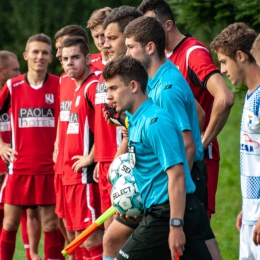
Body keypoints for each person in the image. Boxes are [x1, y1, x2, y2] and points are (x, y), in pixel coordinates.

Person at [104, 54, 212, 260]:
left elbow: (177, 175)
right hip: (164, 210)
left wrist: (176, 225)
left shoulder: (155, 122)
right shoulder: (136, 120)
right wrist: (132, 204)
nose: (109, 96)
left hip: (170, 213)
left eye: (114, 88)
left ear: (133, 86)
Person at [138, 0, 234, 220]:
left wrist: (203, 142)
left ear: (168, 24)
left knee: (195, 233)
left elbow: (225, 97)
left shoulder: (193, 52)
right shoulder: (165, 58)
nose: (147, 32)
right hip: (175, 158)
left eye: (152, 25)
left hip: (197, 159)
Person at [0, 34, 61, 260]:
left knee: (52, 224)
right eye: (35, 52)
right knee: (9, 222)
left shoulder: (59, 84)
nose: (40, 56)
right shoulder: (12, 85)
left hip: (49, 167)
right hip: (19, 167)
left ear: (50, 57)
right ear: (26, 55)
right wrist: (1, 146)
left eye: (44, 52)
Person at [94, 6, 142, 259]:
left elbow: (190, 124)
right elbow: (134, 131)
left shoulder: (154, 79)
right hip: (136, 179)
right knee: (111, 240)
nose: (104, 43)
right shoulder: (127, 74)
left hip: (157, 189)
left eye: (112, 38)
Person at [211, 22, 260, 260]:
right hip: (251, 214)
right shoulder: (251, 96)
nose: (221, 70)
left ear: (240, 56)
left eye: (223, 61)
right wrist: (248, 206)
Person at [54, 24, 98, 260]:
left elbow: (106, 129)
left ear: (88, 58)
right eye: (65, 59)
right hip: (69, 173)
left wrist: (91, 157)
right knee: (77, 238)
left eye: (75, 58)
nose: (69, 63)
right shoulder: (74, 86)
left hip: (85, 176)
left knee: (91, 237)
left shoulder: (93, 87)